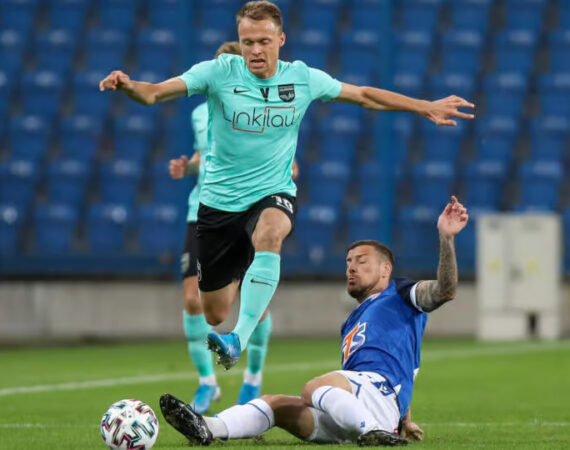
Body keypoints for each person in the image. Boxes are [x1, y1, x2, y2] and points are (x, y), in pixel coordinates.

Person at [99, 1, 475, 370]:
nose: (255, 50)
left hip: (271, 192)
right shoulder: (218, 72)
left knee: (271, 231)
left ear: (281, 40)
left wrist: (423, 105)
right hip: (219, 204)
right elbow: (154, 92)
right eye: (248, 42)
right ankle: (243, 284)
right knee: (214, 312)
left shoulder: (302, 78)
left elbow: (363, 95)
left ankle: (239, 339)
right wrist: (128, 85)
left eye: (264, 41)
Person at [159, 196, 469, 447]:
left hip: (373, 398)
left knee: (314, 388)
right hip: (359, 405)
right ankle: (209, 426)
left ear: (386, 269)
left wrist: (446, 238)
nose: (351, 268)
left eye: (361, 261)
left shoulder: (400, 294)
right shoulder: (351, 323)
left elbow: (445, 290)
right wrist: (403, 418)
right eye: (348, 262)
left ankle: (372, 431)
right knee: (277, 404)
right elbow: (403, 364)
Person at [169, 39, 299, 410]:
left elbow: (287, 162)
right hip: (204, 211)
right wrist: (189, 167)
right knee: (193, 300)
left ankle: (252, 379)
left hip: (247, 210)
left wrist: (281, 174)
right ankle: (207, 383)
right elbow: (205, 154)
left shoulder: (264, 106)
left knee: (252, 301)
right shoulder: (200, 113)